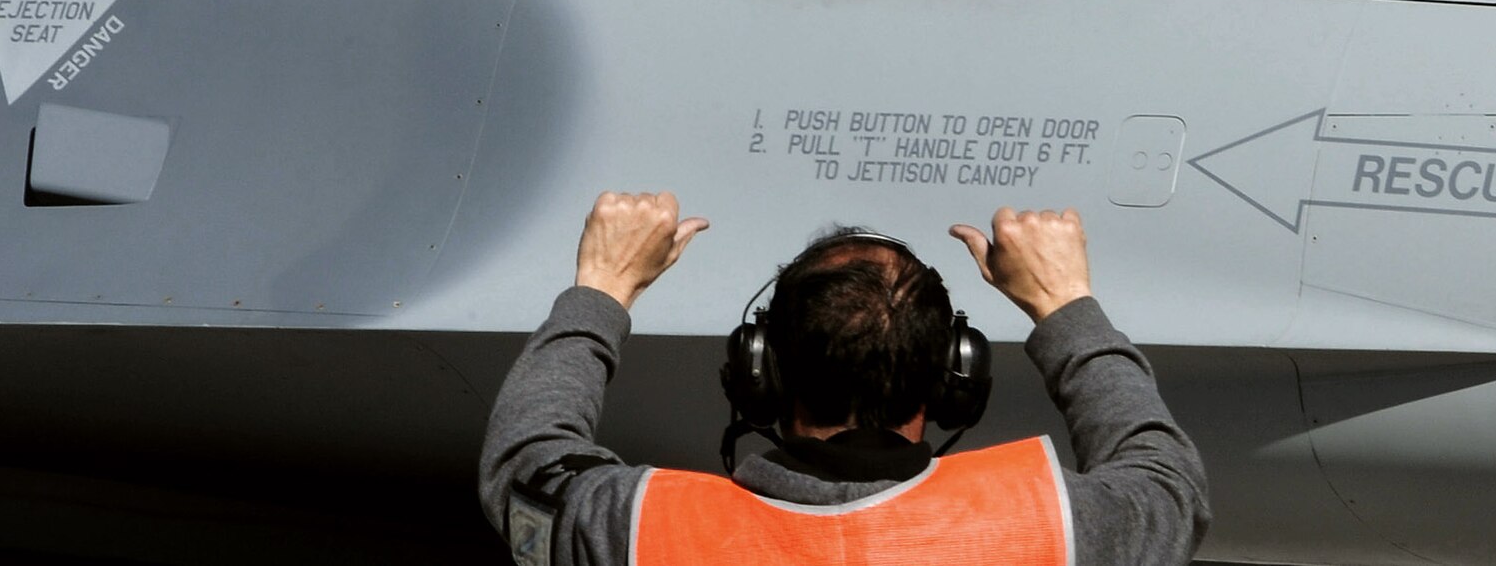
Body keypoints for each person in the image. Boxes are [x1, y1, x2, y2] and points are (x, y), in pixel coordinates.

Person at [479, 193, 1210, 566]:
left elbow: (526, 459)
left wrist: (602, 287)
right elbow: (1168, 481)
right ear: (956, 377)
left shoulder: (643, 529)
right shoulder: (1057, 532)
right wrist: (1064, 306)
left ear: (758, 371)